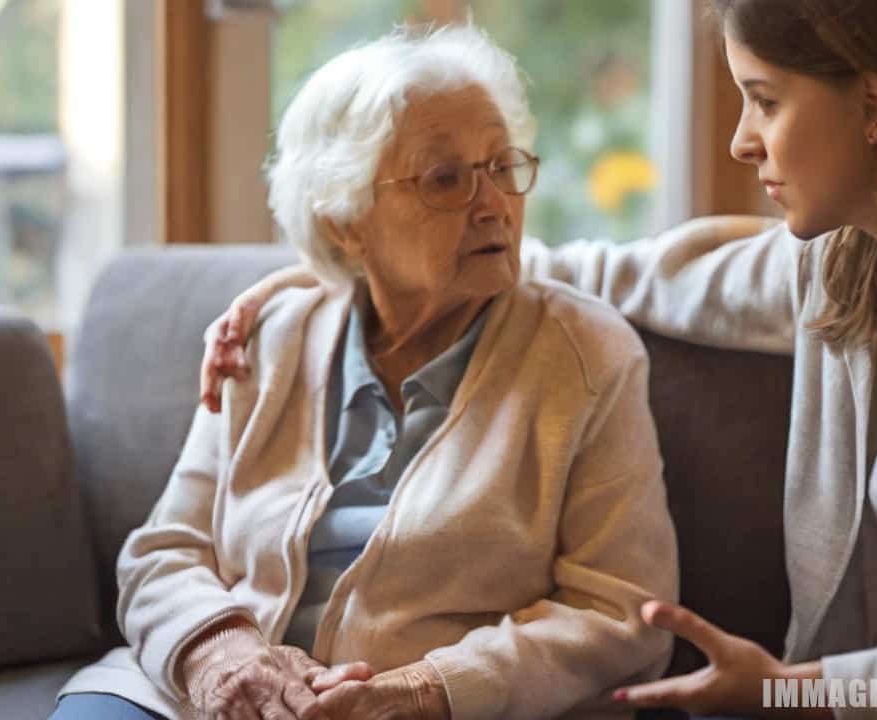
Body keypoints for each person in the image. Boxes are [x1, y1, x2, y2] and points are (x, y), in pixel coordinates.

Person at [201, 2, 877, 718]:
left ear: (871, 104)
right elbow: (583, 267)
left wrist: (794, 690)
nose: (738, 141)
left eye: (763, 99)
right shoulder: (839, 273)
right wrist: (323, 275)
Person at [54, 25, 678, 720]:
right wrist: (221, 653)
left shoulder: (588, 355)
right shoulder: (266, 340)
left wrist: (428, 690)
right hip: (224, 698)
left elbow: (622, 610)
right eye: (446, 178)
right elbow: (164, 553)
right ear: (346, 222)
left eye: (503, 166)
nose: (495, 202)